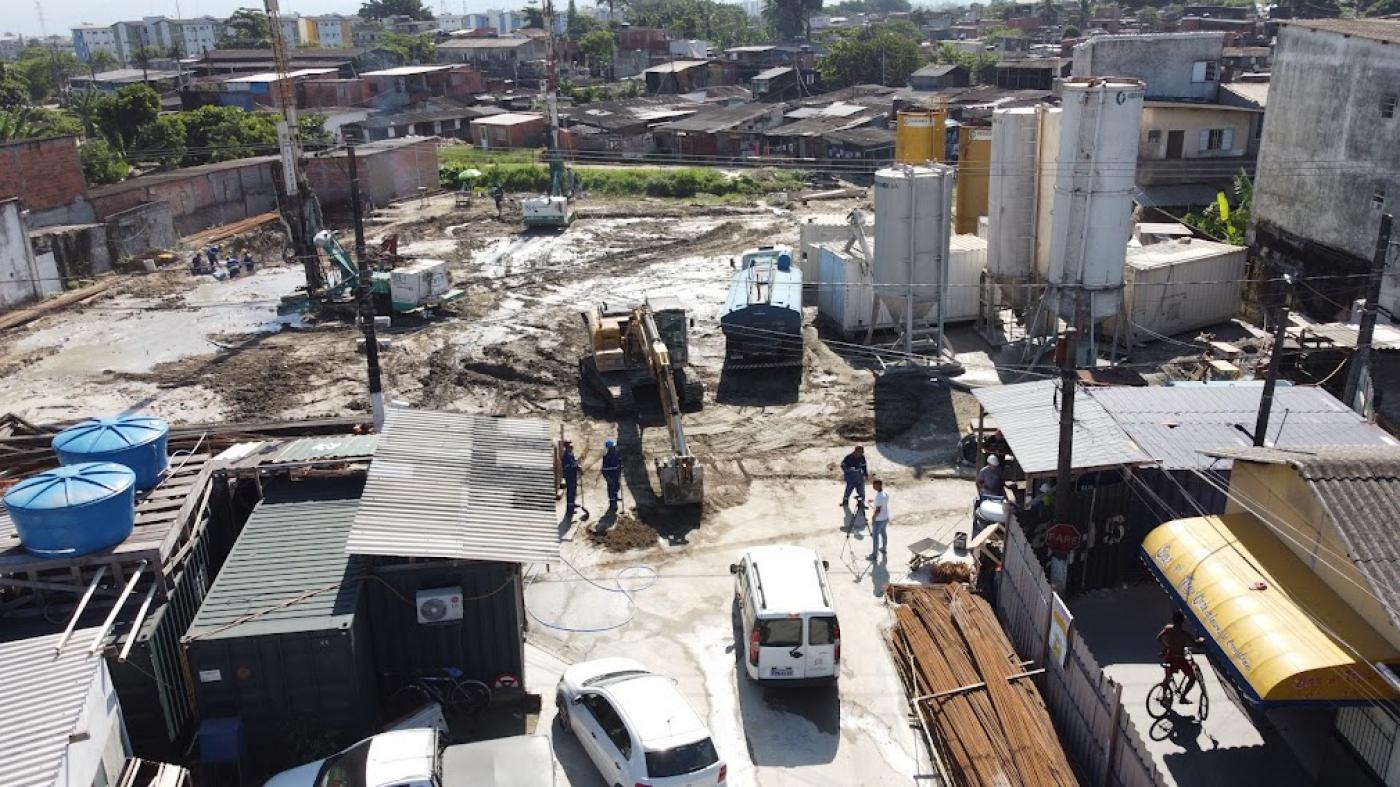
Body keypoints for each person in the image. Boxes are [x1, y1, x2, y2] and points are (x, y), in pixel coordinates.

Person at [1157, 610, 1206, 704]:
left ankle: (1164, 696)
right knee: (1192, 678)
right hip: (1179, 658)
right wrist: (1201, 640)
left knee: (1168, 676)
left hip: (1169, 655)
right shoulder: (1185, 634)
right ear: (1182, 621)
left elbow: (1159, 638)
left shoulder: (1168, 629)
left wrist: (1167, 647)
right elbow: (1196, 645)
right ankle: (1183, 697)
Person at [868, 478, 890, 560]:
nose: (873, 486)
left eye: (874, 485)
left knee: (875, 537)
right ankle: (884, 549)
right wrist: (873, 500)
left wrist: (873, 518)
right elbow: (882, 502)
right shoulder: (885, 493)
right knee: (884, 534)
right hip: (885, 517)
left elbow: (878, 510)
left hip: (879, 520)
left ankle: (874, 555)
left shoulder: (879, 498)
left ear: (879, 485)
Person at [601, 439, 623, 508]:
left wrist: (620, 467)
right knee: (611, 489)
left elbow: (619, 462)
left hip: (616, 474)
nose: (614, 448)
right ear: (609, 448)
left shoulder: (616, 454)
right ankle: (612, 503)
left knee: (617, 486)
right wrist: (608, 478)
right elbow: (604, 470)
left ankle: (615, 497)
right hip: (610, 475)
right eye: (613, 447)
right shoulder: (606, 457)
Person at [560, 441, 579, 515]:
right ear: (567, 448)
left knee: (574, 491)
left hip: (573, 476)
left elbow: (574, 463)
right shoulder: (565, 457)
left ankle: (572, 504)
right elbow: (568, 467)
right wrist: (575, 467)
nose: (572, 448)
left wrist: (577, 466)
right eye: (570, 447)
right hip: (569, 476)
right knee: (570, 492)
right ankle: (569, 510)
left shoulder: (571, 454)